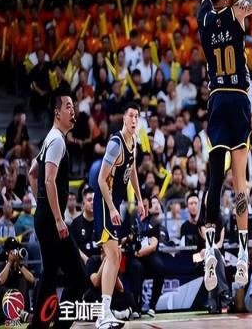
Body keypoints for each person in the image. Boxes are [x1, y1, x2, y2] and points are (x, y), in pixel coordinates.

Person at [197, 0, 252, 291]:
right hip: (238, 99)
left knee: (214, 180)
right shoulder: (237, 11)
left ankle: (210, 250)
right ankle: (241, 252)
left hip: (216, 99)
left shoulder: (204, 19)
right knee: (240, 184)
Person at [27, 88, 86, 328]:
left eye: (73, 106)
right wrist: (59, 219)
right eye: (68, 106)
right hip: (52, 220)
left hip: (44, 217)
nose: (73, 110)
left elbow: (32, 174)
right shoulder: (57, 141)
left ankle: (37, 326)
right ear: (57, 112)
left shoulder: (49, 139)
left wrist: (41, 203)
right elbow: (49, 180)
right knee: (79, 277)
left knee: (49, 274)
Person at [94, 102, 147, 328]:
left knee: (114, 258)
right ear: (124, 118)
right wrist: (112, 208)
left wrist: (140, 199)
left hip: (114, 203)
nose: (134, 120)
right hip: (105, 202)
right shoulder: (116, 143)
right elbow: (100, 179)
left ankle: (105, 312)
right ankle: (103, 314)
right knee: (113, 256)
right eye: (131, 116)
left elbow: (132, 171)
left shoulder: (134, 142)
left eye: (137, 116)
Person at [0, 237, 35, 323]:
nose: (15, 252)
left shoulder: (21, 267)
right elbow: (0, 281)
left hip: (21, 306)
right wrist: (9, 263)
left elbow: (32, 280)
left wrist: (19, 265)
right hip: (7, 311)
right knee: (1, 289)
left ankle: (22, 313)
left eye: (16, 249)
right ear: (7, 252)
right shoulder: (3, 267)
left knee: (23, 280)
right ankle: (21, 314)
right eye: (12, 250)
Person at [70, 187, 99, 264]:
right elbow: (74, 247)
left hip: (99, 262)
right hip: (82, 263)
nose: (92, 203)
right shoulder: (75, 224)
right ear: (83, 203)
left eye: (94, 200)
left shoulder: (101, 222)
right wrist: (87, 260)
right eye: (89, 200)